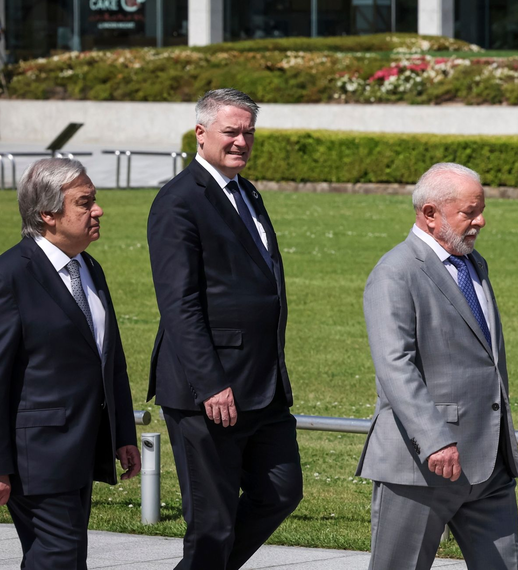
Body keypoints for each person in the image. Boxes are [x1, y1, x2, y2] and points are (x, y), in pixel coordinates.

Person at [147, 88, 301, 570]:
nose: (241, 141)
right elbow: (179, 304)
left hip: (263, 385)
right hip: (208, 390)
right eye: (231, 131)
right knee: (212, 524)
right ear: (201, 133)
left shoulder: (246, 192)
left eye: (248, 132)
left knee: (280, 492)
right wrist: (211, 382)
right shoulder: (179, 201)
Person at [356, 163, 518, 570]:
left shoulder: (472, 263)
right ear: (430, 214)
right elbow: (395, 365)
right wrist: (435, 439)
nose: (481, 221)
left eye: (481, 209)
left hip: (489, 464)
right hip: (421, 465)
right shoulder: (395, 272)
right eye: (469, 212)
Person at [0, 158, 140, 570]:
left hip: (81, 450)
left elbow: (108, 360)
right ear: (48, 214)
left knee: (62, 558)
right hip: (36, 458)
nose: (98, 210)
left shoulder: (89, 268)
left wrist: (122, 434)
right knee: (58, 558)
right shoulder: (12, 275)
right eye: (85, 202)